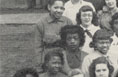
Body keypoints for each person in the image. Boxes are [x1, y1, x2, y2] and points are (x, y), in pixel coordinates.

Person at [35, 0, 72, 64]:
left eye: (62, 8)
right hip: (48, 59)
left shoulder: (68, 22)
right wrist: (39, 64)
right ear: (49, 7)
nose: (59, 11)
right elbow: (38, 47)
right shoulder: (41, 24)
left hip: (66, 59)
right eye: (56, 8)